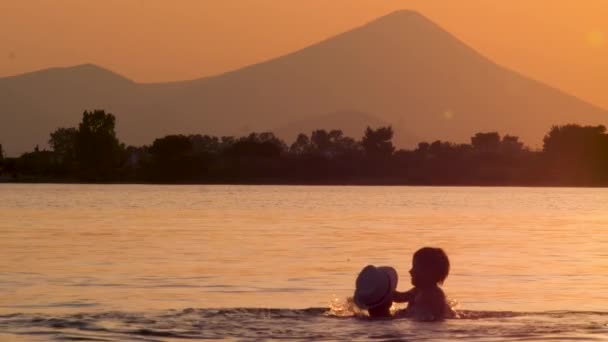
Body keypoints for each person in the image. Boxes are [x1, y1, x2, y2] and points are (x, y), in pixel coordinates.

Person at [393, 247, 451, 321]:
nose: (410, 271)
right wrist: (385, 289)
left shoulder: (435, 294)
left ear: (428, 272)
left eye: (415, 267)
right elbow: (399, 297)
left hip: (426, 326)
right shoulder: (416, 291)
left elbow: (430, 317)